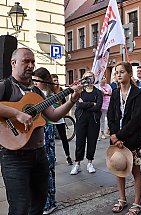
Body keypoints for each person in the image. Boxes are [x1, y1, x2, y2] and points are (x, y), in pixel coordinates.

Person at [0, 48, 81, 215]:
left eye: (33, 62)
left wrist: (72, 101)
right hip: (15, 157)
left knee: (39, 204)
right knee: (19, 208)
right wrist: (17, 113)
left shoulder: (36, 91)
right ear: (13, 63)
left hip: (39, 154)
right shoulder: (5, 86)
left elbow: (53, 114)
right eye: (26, 61)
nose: (31, 65)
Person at [107, 62, 141, 215]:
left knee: (136, 170)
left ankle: (137, 203)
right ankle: (122, 198)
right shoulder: (115, 93)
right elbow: (111, 115)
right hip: (117, 138)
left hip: (132, 137)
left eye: (122, 72)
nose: (118, 74)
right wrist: (114, 136)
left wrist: (120, 135)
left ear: (130, 74)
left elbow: (136, 119)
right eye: (117, 72)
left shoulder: (137, 92)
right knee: (119, 168)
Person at [33, 68, 58, 214]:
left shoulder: (51, 95)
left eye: (37, 80)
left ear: (43, 81)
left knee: (48, 167)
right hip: (37, 132)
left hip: (47, 131)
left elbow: (51, 115)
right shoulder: (34, 93)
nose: (34, 83)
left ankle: (50, 202)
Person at [70, 71, 103, 175]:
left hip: (93, 120)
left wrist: (85, 104)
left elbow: (98, 106)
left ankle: (90, 162)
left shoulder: (98, 92)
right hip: (81, 119)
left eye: (90, 77)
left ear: (94, 79)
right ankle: (77, 164)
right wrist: (91, 104)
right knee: (80, 141)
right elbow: (78, 105)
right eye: (86, 77)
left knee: (92, 141)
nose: (89, 79)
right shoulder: (80, 92)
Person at [51, 74, 73, 165]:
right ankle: (53, 157)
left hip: (59, 117)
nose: (56, 82)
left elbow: (64, 103)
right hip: (50, 118)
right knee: (51, 139)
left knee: (64, 138)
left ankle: (68, 156)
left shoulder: (60, 90)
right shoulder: (49, 92)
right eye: (54, 80)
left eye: (57, 80)